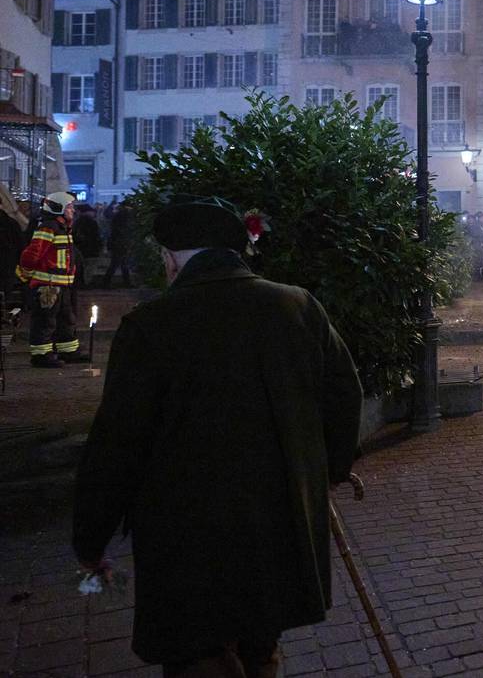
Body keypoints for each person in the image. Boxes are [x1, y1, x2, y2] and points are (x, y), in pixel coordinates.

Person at [73, 195, 363, 676]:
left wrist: (91, 534)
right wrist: (325, 473)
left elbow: (117, 443)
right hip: (277, 516)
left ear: (171, 258)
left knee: (199, 650)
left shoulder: (151, 326)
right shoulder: (296, 305)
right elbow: (343, 394)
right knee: (260, 638)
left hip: (188, 530)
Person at [18, 191, 84, 368]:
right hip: (48, 286)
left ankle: (68, 351)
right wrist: (27, 273)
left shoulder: (61, 227)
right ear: (59, 208)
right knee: (45, 321)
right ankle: (41, 355)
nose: (73, 211)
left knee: (66, 319)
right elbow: (31, 255)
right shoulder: (49, 227)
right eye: (70, 207)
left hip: (61, 285)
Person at [102, 201, 136, 288]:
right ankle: (107, 282)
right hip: (120, 243)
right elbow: (124, 230)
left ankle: (123, 282)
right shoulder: (124, 215)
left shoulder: (119, 215)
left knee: (119, 263)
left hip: (118, 243)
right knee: (118, 263)